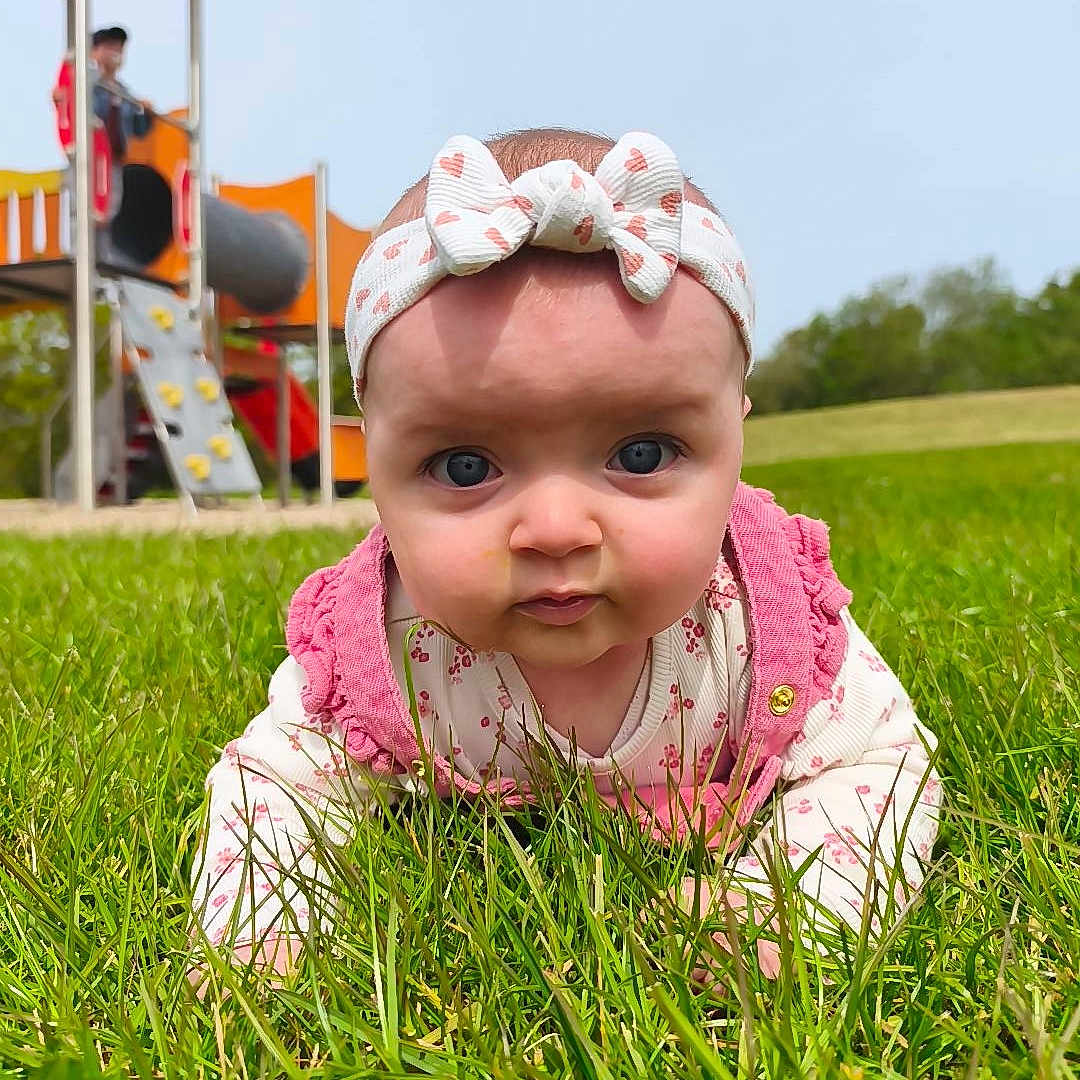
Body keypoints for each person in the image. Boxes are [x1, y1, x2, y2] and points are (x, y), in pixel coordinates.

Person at [189, 128, 942, 981]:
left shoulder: (761, 621)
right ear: (376, 470)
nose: (554, 528)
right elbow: (277, 786)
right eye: (465, 467)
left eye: (643, 455)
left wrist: (791, 904)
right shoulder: (385, 647)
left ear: (737, 430)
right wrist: (267, 929)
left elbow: (882, 762)